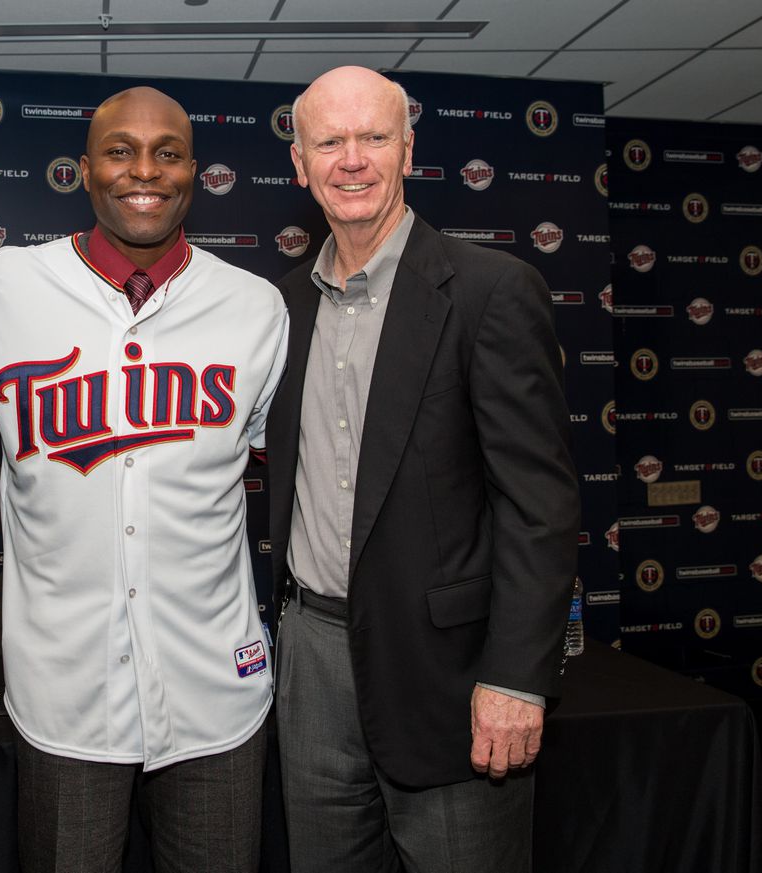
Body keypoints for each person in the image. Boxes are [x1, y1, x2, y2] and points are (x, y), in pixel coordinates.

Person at [0, 86, 288, 873]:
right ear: (84, 170)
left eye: (167, 152)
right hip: (66, 697)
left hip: (216, 695)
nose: (145, 170)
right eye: (120, 151)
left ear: (193, 172)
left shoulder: (255, 308)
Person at [266, 66, 580, 872]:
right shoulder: (280, 308)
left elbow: (538, 505)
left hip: (452, 676)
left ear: (409, 150)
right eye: (328, 141)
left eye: (374, 137)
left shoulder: (490, 291)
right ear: (299, 164)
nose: (352, 159)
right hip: (312, 661)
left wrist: (516, 677)